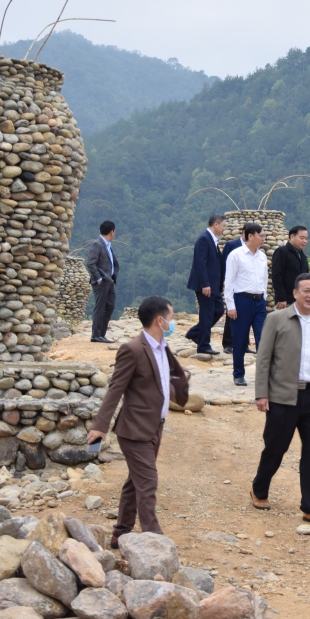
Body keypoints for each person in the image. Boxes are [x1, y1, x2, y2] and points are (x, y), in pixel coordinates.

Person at [86, 296, 189, 547]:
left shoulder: (163, 346)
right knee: (148, 481)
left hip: (156, 426)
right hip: (134, 429)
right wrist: (100, 426)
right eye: (172, 318)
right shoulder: (132, 349)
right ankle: (154, 540)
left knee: (136, 481)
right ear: (160, 320)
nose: (173, 323)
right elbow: (115, 390)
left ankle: (120, 532)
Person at [251, 273, 310, 528]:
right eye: (306, 290)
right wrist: (261, 393)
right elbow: (263, 359)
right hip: (282, 396)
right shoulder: (277, 320)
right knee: (275, 448)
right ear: (295, 293)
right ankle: (259, 489)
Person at [224, 223, 268, 387]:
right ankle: (238, 374)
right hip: (241, 300)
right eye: (261, 235)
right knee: (240, 339)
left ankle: (264, 376)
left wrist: (264, 297)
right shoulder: (236, 255)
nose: (263, 238)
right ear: (251, 236)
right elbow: (229, 282)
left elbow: (264, 279)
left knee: (262, 338)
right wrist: (231, 306)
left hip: (259, 302)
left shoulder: (262, 256)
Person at [185, 214, 225, 355]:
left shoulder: (212, 240)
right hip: (206, 285)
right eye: (223, 226)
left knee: (219, 309)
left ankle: (195, 332)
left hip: (214, 285)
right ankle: (203, 345)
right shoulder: (204, 239)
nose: (223, 229)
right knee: (207, 315)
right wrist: (205, 284)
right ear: (216, 224)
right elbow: (200, 263)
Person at [86, 220, 119, 343]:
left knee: (110, 306)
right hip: (101, 282)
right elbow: (90, 263)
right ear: (112, 231)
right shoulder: (97, 244)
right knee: (100, 307)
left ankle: (102, 334)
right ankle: (96, 335)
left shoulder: (107, 245)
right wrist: (98, 278)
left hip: (109, 281)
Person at [219, 231, 247, 354]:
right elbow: (224, 264)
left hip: (246, 286)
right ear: (245, 233)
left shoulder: (253, 248)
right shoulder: (231, 245)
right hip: (234, 285)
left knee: (247, 317)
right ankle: (228, 344)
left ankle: (244, 345)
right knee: (231, 315)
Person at [272, 225, 310, 309]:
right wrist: (281, 298)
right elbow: (276, 276)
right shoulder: (282, 252)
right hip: (285, 302)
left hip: (300, 301)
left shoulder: (303, 256)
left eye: (306, 239)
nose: (304, 241)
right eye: (302, 238)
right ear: (292, 236)